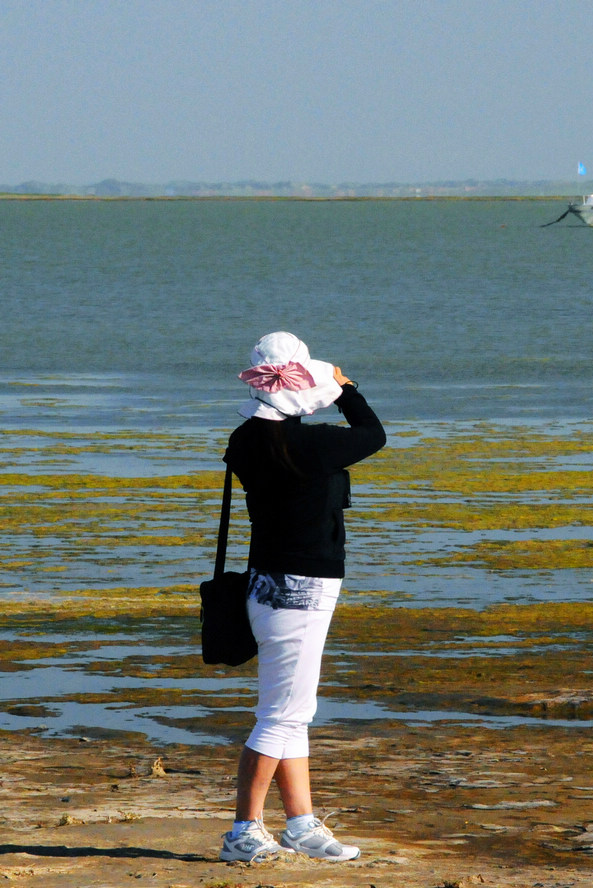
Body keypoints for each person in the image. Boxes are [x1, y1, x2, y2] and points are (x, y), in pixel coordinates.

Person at [218, 331, 386, 863]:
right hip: (304, 589)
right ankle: (243, 831)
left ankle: (300, 823)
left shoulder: (247, 441)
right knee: (281, 715)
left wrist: (311, 391)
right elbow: (372, 433)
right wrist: (345, 387)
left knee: (291, 710)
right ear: (296, 383)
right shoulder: (310, 447)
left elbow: (284, 425)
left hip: (265, 583)